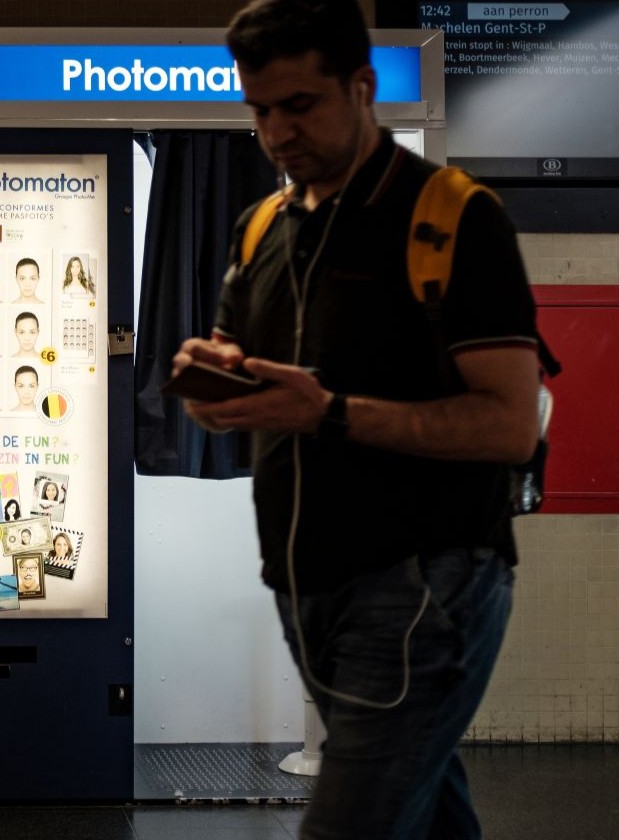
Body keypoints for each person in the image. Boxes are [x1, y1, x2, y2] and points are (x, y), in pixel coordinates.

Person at [170, 3, 541, 837]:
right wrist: (216, 375)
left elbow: (509, 425)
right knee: (425, 807)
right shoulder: (261, 227)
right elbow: (237, 350)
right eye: (261, 110)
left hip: (424, 582)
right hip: (303, 581)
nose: (277, 132)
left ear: (363, 86)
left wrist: (331, 413)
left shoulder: (453, 217)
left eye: (300, 105)